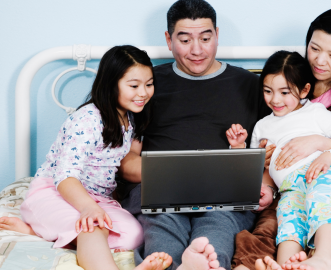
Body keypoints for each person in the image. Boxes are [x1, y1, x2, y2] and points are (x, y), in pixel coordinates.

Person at [0, 45, 224, 270]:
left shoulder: (129, 118)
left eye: (149, 84)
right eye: (134, 86)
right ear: (110, 85)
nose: (143, 93)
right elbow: (65, 177)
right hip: (56, 192)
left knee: (133, 234)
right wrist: (89, 208)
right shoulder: (87, 119)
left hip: (96, 197)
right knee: (94, 226)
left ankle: (43, 231)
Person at [117, 0, 272, 269]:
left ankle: (201, 263)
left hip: (226, 198)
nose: (197, 50)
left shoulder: (252, 86)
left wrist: (266, 186)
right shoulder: (146, 85)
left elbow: (269, 151)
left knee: (217, 233)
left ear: (217, 36)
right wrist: (180, 174)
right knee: (162, 230)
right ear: (168, 39)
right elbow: (127, 163)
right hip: (159, 194)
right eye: (185, 39)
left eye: (205, 37)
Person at [232, 8, 331, 270]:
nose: (320, 61)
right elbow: (268, 144)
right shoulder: (289, 83)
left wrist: (319, 142)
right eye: (314, 48)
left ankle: (324, 262)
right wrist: (265, 161)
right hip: (292, 185)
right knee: (274, 226)